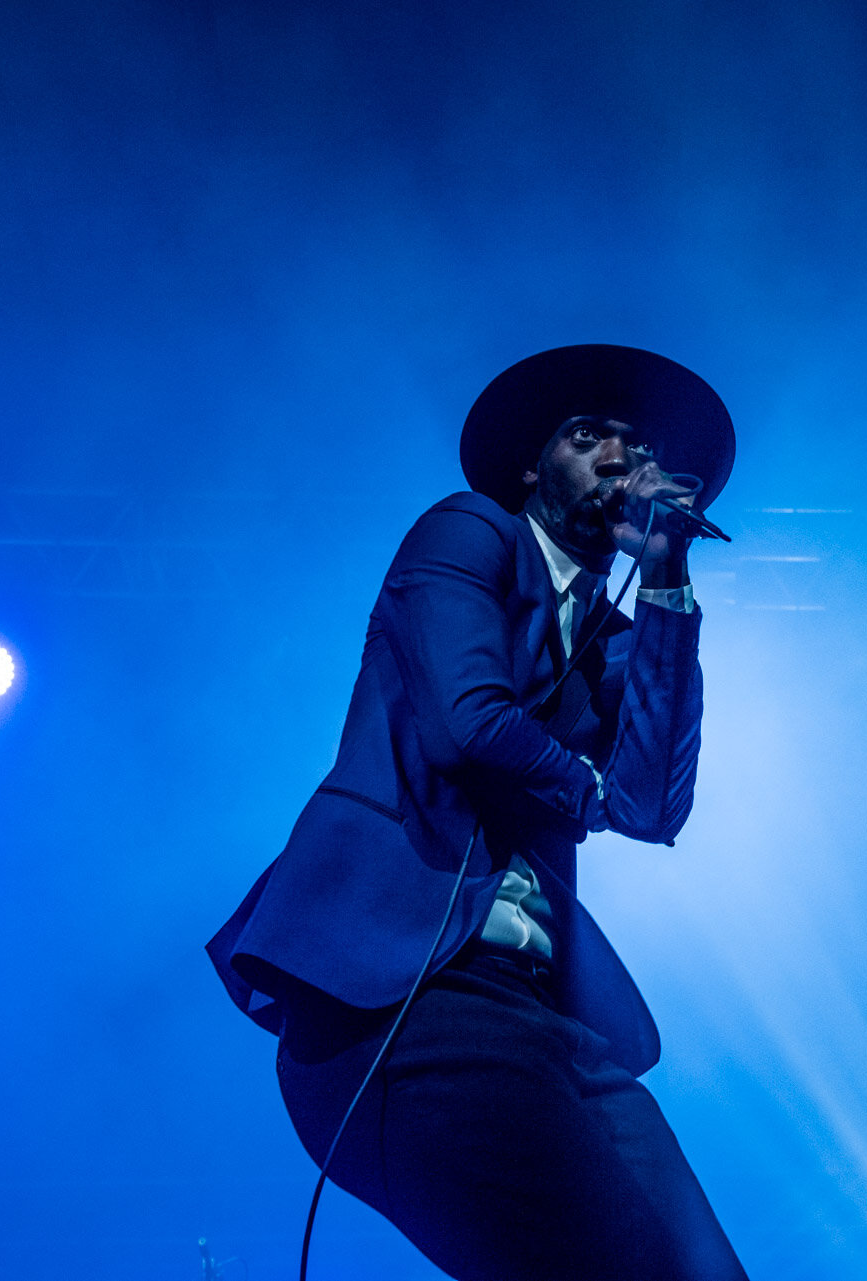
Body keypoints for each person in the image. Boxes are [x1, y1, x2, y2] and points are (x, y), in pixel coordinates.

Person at [206, 344, 747, 1280]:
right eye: (590, 437)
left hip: (541, 1014)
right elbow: (467, 723)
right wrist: (591, 795)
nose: (622, 458)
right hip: (407, 995)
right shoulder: (468, 533)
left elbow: (654, 804)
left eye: (638, 443)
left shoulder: (613, 636)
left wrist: (665, 574)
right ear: (531, 469)